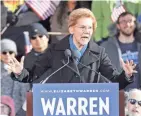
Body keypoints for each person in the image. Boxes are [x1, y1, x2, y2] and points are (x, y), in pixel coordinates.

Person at [9, 8, 137, 90]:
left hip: (88, 110)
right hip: (62, 109)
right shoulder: (55, 50)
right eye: (82, 27)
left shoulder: (99, 53)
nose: (87, 32)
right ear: (71, 29)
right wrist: (20, 72)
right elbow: (32, 75)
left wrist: (126, 75)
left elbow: (115, 81)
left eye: (90, 28)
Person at [101, 12, 141, 90]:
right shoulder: (106, 47)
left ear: (135, 24)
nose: (127, 24)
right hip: (118, 93)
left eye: (130, 21)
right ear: (118, 26)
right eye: (123, 21)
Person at [0, 39, 30, 113]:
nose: (7, 55)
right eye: (4, 52)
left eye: (10, 52)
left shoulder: (22, 69)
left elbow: (25, 93)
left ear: (15, 54)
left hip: (17, 112)